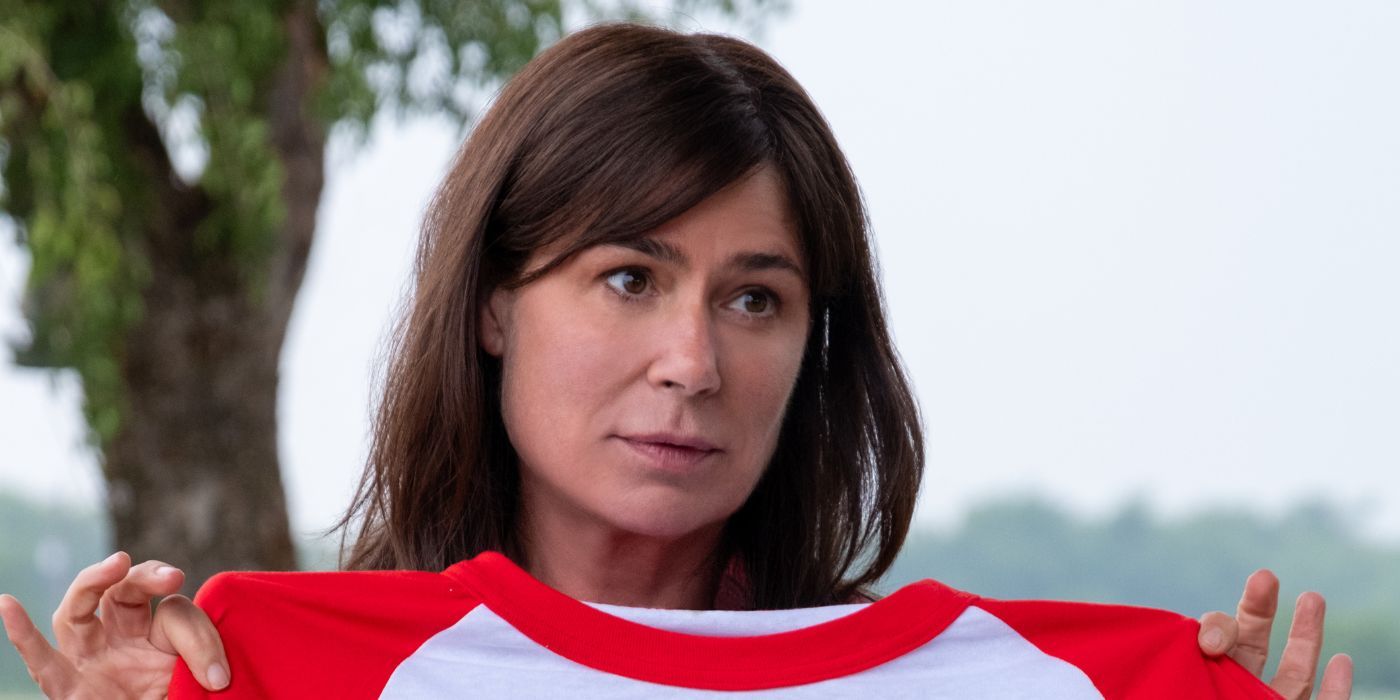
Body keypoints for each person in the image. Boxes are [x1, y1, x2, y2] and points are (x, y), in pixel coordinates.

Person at [0, 22, 1352, 699]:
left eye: (755, 300)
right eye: (629, 279)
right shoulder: (297, 675)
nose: (692, 360)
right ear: (491, 306)